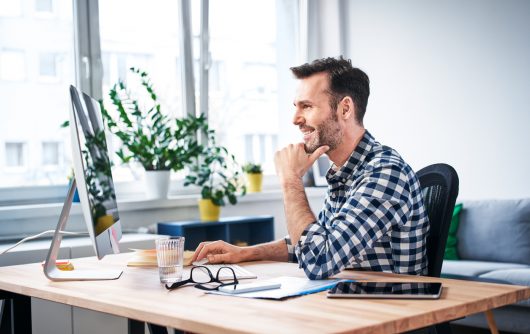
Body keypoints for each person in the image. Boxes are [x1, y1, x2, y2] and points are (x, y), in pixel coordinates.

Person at [191, 56, 430, 280]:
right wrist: (245, 253)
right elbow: (312, 245)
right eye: (296, 106)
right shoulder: (345, 173)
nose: (295, 119)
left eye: (306, 106)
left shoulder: (384, 173)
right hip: (349, 304)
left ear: (345, 109)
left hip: (388, 314)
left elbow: (318, 260)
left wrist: (290, 179)